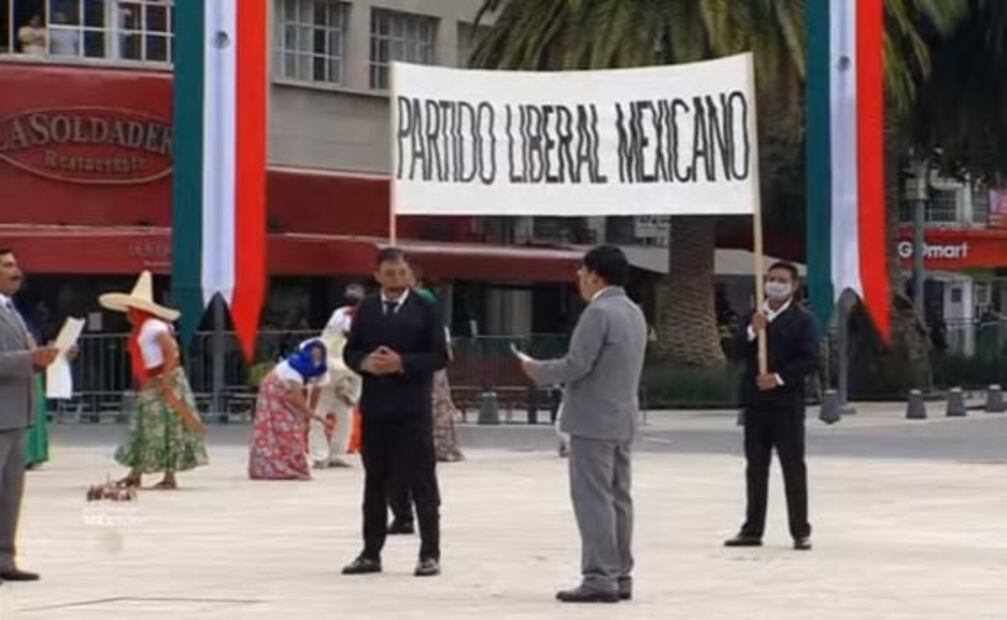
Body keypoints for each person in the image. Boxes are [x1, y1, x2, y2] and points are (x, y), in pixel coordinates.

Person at [520, 245, 647, 604]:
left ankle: (599, 575)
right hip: (622, 416)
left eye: (582, 270)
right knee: (619, 498)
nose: (578, 277)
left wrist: (538, 370)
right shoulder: (634, 311)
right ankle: (620, 572)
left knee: (593, 499)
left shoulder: (598, 312)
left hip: (592, 419)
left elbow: (578, 364)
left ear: (596, 275)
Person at [341, 248, 447, 578]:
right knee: (375, 482)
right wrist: (364, 362)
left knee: (422, 482)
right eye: (390, 274)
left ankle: (429, 553)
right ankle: (370, 553)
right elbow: (350, 350)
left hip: (412, 408)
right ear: (378, 276)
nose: (397, 280)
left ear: (410, 275)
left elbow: (440, 356)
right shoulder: (368, 309)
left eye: (402, 273)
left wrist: (402, 363)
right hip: (376, 408)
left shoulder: (425, 307)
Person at [724, 261, 819, 551]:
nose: (776, 284)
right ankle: (752, 528)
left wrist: (777, 378)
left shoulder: (803, 319)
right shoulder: (753, 316)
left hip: (786, 403)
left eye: (782, 280)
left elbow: (809, 359)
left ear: (793, 286)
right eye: (772, 279)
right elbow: (735, 351)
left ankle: (800, 530)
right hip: (756, 404)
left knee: (792, 465)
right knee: (756, 466)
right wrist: (752, 331)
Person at [102, 271, 209, 490]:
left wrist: (167, 379)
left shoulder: (153, 327)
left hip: (163, 379)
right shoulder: (144, 328)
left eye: (131, 310)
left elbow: (171, 350)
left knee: (167, 426)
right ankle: (136, 473)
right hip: (154, 380)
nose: (128, 315)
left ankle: (167, 476)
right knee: (146, 425)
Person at [0, 249, 59, 583]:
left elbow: (24, 358)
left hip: (18, 416)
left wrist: (45, 357)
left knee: (10, 494)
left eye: (16, 265)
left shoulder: (13, 311)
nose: (16, 271)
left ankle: (5, 557)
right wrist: (29, 357)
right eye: (7, 266)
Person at [249, 340, 329, 480]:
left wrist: (309, 415)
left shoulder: (322, 370)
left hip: (289, 396)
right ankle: (272, 468)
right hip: (273, 393)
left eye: (319, 355)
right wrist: (313, 415)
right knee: (280, 429)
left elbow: (316, 392)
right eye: (313, 354)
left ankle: (292, 466)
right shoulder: (294, 368)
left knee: (293, 428)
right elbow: (297, 397)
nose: (316, 357)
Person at [309, 330, 360, 469]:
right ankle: (319, 456)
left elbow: (358, 377)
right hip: (321, 386)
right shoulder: (321, 344)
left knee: (346, 420)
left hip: (341, 386)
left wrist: (352, 396)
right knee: (317, 419)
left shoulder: (355, 350)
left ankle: (336, 455)